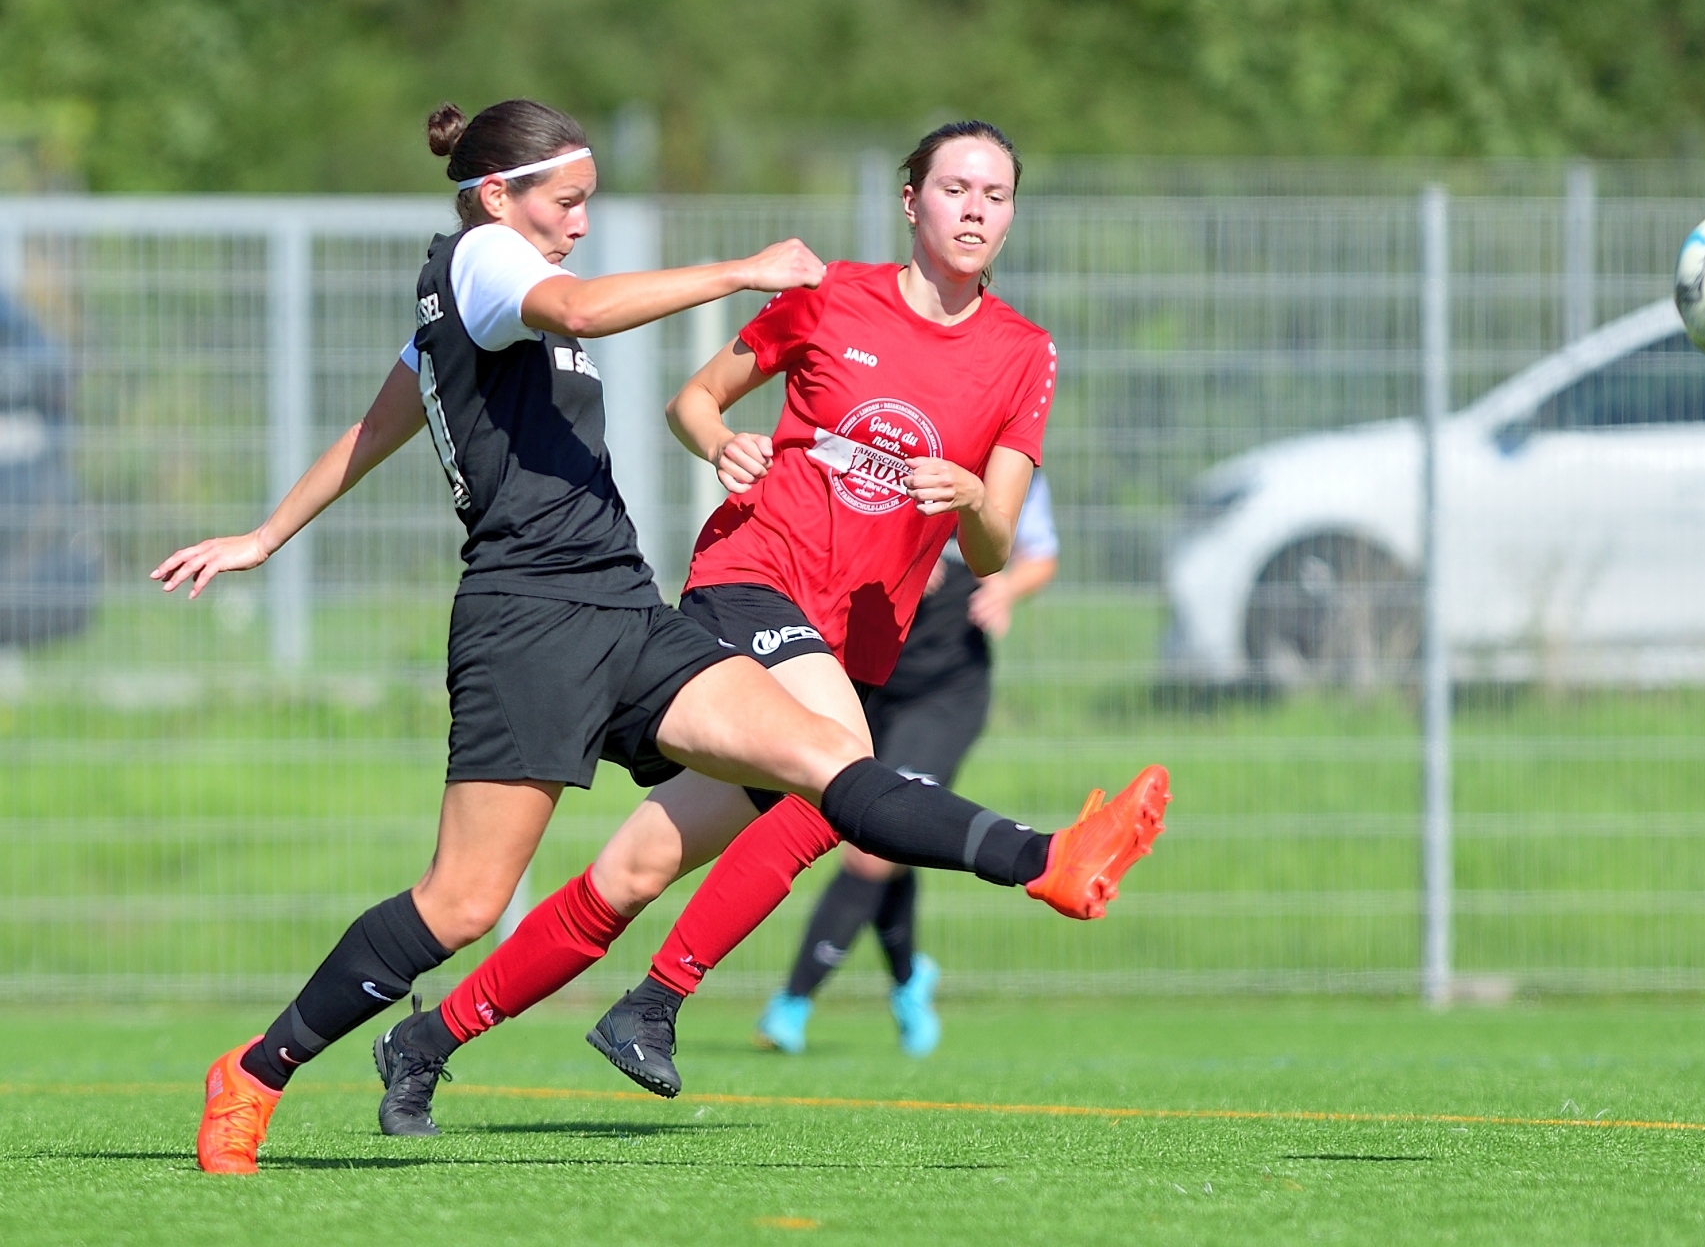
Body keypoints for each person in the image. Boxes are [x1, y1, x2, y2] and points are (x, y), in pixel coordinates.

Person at [155, 101, 1168, 1174]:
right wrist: (738, 269)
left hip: (625, 606)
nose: (582, 222)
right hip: (527, 620)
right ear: (498, 195)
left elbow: (388, 413)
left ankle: (1046, 857)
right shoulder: (490, 257)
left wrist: (268, 530)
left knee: (827, 761)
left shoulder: (481, 291)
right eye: (570, 200)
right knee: (461, 900)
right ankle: (256, 1070)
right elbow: (583, 313)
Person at [756, 470, 1059, 1058]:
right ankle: (907, 981)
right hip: (867, 673)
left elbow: (1039, 555)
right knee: (884, 831)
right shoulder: (884, 438)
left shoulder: (1009, 465)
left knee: (871, 846)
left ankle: (793, 1001)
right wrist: (897, 558)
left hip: (945, 689)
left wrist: (1007, 588)